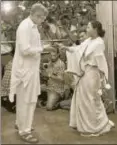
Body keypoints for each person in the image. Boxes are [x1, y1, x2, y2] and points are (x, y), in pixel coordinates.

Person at [57, 21, 115, 136]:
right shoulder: (89, 41)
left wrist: (72, 49)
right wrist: (66, 48)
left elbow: (83, 54)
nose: (86, 29)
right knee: (84, 98)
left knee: (90, 99)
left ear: (95, 29)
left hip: (92, 73)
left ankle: (93, 127)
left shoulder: (99, 42)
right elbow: (79, 49)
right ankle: (88, 124)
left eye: (88, 27)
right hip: (86, 72)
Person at [9, 3, 48, 143]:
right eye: (42, 18)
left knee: (29, 99)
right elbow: (25, 50)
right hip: (25, 71)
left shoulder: (33, 26)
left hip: (30, 70)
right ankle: (24, 130)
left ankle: (22, 123)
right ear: (37, 15)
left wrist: (40, 48)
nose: (43, 20)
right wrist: (41, 49)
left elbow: (32, 46)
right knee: (26, 101)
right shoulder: (25, 27)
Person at [41, 46, 66, 111]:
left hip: (56, 90)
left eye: (54, 55)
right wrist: (43, 72)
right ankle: (47, 100)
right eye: (51, 55)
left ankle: (60, 101)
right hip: (48, 87)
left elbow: (61, 79)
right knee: (34, 88)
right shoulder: (50, 62)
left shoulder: (61, 64)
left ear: (58, 54)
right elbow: (48, 74)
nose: (52, 57)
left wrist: (49, 75)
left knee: (49, 107)